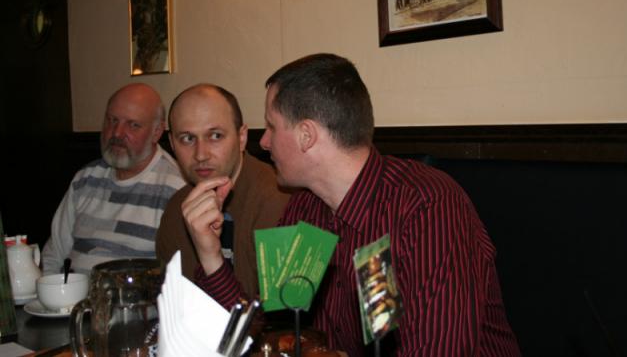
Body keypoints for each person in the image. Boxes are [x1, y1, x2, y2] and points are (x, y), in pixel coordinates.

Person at [186, 54, 520, 356]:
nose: (264, 142)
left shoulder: (426, 206)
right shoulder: (305, 210)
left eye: (272, 126)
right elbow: (271, 335)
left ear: (306, 135)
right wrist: (210, 253)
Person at [155, 84, 289, 298]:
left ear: (242, 137)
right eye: (187, 139)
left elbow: (275, 314)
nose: (201, 155)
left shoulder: (280, 201)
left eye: (215, 136)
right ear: (172, 144)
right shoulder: (175, 211)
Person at [41, 83, 186, 275]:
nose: (117, 133)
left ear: (157, 132)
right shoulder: (85, 178)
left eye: (133, 125)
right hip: (71, 293)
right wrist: (50, 289)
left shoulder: (176, 189)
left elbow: (180, 275)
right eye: (112, 120)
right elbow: (54, 255)